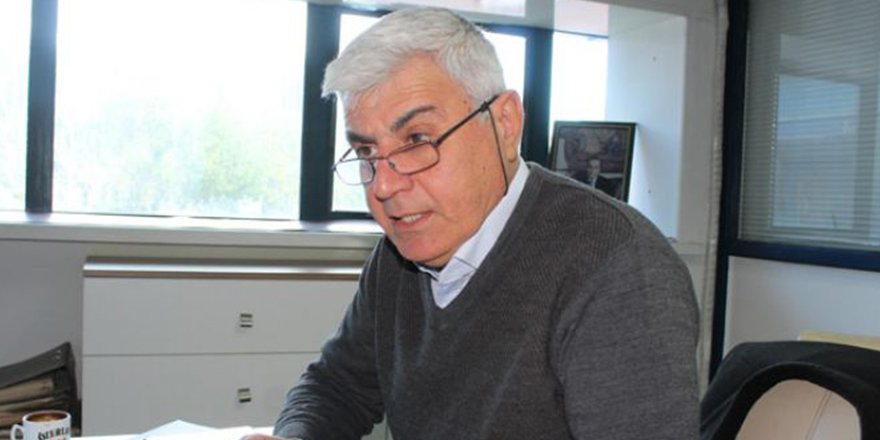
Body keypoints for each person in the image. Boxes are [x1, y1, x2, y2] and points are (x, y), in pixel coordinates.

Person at [244, 7, 698, 440]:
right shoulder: (398, 256)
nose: (383, 186)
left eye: (416, 140)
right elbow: (338, 386)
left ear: (505, 124)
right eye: (366, 152)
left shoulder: (618, 268)